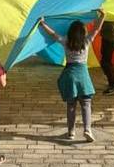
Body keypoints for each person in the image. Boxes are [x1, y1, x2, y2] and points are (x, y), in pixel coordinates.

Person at [39, 10, 106, 143]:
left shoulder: (66, 41)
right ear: (83, 32)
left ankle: (71, 132)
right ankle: (87, 129)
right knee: (86, 104)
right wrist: (103, 16)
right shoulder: (86, 42)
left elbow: (53, 34)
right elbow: (97, 29)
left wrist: (42, 23)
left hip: (70, 74)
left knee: (71, 105)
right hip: (83, 75)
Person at [100, 21, 114, 95]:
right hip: (106, 39)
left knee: (106, 62)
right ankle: (111, 82)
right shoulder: (108, 15)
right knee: (104, 62)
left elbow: (109, 27)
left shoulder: (111, 17)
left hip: (110, 41)